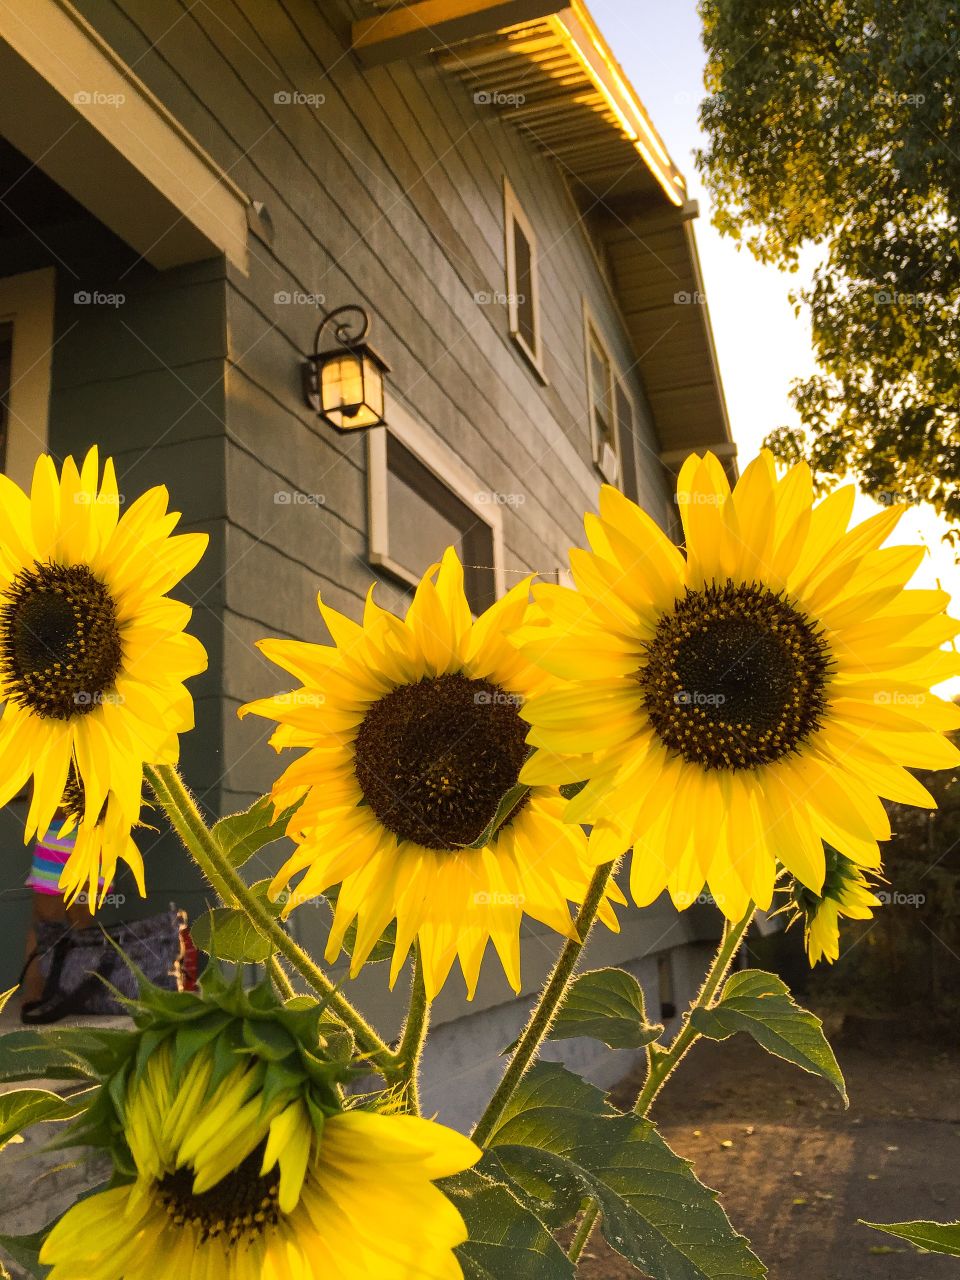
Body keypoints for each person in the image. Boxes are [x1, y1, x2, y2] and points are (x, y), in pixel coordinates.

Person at [20, 809, 97, 1013]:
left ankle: (75, 992)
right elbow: (35, 804)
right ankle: (35, 993)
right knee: (45, 922)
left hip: (96, 840)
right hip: (57, 837)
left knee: (81, 924)